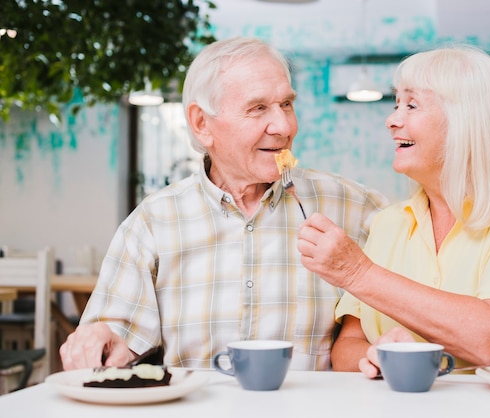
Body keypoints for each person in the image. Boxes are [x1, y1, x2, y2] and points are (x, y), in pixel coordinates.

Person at [59, 37, 388, 371]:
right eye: (258, 108)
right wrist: (99, 340)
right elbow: (116, 333)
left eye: (287, 104)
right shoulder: (154, 221)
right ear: (202, 124)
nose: (285, 126)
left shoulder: (356, 207)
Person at [296, 45, 490, 377]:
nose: (392, 120)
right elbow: (347, 346)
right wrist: (373, 355)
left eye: (411, 105)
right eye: (396, 104)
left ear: (466, 121)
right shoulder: (388, 223)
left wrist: (358, 273)